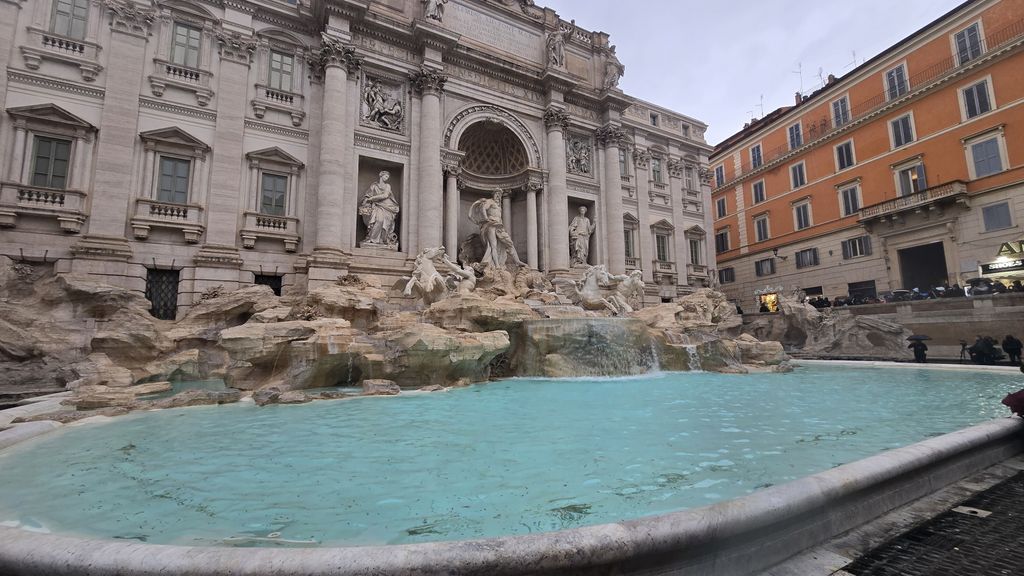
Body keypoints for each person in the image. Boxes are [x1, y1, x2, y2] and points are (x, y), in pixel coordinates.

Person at [469, 188, 524, 269]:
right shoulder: (490, 201)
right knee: (493, 246)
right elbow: (483, 208)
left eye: (500, 195)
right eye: (497, 194)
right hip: (491, 225)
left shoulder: (498, 206)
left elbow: (499, 216)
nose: (498, 196)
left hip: (499, 226)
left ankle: (517, 261)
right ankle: (497, 265)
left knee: (509, 243)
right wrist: (485, 218)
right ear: (493, 194)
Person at [359, 171, 399, 246]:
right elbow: (367, 195)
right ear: (381, 175)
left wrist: (372, 198)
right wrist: (366, 200)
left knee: (384, 223)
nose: (386, 178)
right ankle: (372, 239)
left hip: (387, 206)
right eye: (385, 176)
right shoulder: (374, 186)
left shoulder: (388, 186)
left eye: (388, 177)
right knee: (379, 220)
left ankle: (381, 239)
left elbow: (385, 195)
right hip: (377, 206)